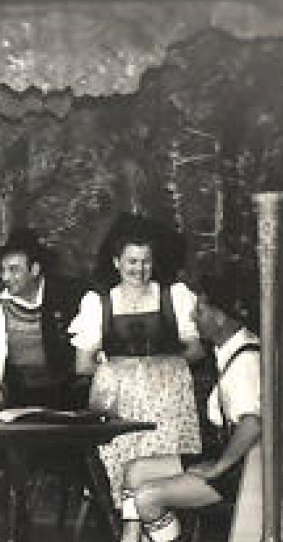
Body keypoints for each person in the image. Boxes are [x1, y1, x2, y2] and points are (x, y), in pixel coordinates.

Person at [111, 263, 262, 542]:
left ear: (221, 316)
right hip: (229, 455)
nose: (194, 315)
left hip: (244, 471)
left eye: (202, 308)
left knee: (148, 496)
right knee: (135, 469)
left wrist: (218, 468)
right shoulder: (229, 352)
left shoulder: (245, 362)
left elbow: (252, 424)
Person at [71, 214, 207, 500]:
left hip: (168, 401)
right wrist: (116, 372)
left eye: (146, 261)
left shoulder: (174, 296)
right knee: (122, 473)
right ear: (116, 262)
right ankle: (129, 528)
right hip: (120, 403)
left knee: (160, 473)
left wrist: (162, 366)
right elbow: (83, 364)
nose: (139, 269)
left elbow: (196, 350)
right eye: (132, 261)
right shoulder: (98, 304)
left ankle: (152, 521)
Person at [0, 226, 90, 414]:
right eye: (3, 270)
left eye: (14, 270)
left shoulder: (69, 297)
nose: (5, 277)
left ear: (34, 269)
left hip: (65, 399)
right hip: (17, 398)